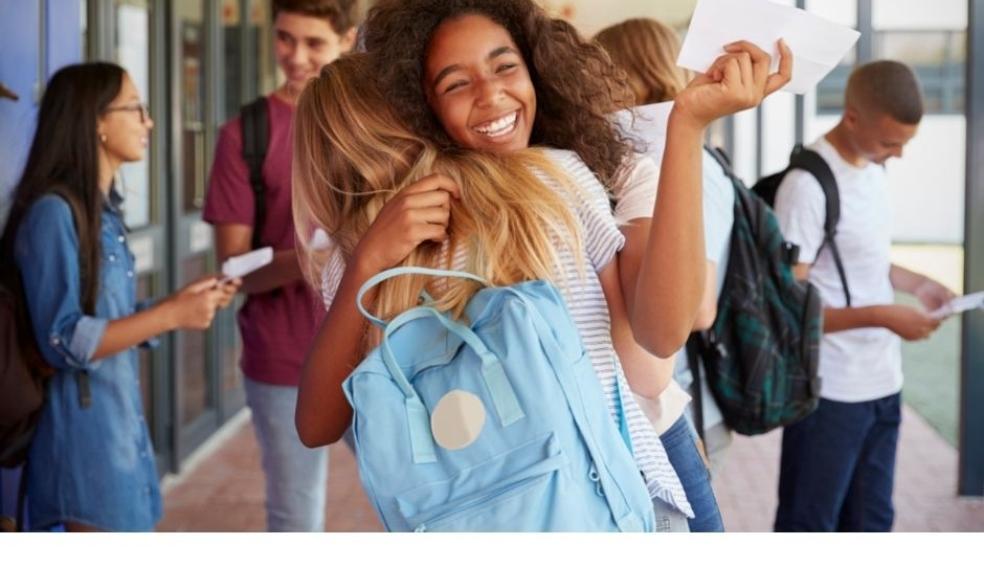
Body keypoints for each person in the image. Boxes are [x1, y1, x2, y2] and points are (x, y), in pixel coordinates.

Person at [302, 0, 789, 531]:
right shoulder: (551, 180)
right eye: (454, 83)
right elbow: (654, 355)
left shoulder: (372, 262)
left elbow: (315, 426)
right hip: (609, 501)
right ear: (420, 107)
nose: (490, 94)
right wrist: (685, 128)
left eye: (505, 65)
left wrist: (367, 261)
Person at [0, 62, 238, 531]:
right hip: (82, 444)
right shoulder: (53, 213)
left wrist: (177, 304)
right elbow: (65, 340)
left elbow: (108, 320)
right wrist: (170, 315)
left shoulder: (104, 214)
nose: (148, 121)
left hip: (121, 430)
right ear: (95, 122)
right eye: (136, 108)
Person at [773, 60, 954, 532]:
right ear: (851, 117)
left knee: (872, 523)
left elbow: (862, 259)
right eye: (889, 142)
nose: (897, 155)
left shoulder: (873, 170)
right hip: (829, 392)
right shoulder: (806, 187)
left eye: (905, 144)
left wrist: (916, 283)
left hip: (882, 384)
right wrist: (882, 316)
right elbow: (792, 308)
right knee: (810, 527)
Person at [203, 0, 357, 532]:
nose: (295, 56)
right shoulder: (244, 134)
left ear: (346, 39)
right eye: (285, 39)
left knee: (417, 507)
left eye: (313, 43)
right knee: (297, 517)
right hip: (284, 356)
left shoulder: (368, 126)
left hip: (377, 348)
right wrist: (308, 262)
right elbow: (234, 269)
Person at [595, 17, 735, 532]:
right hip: (647, 404)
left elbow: (699, 310)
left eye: (602, 77)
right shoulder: (616, 162)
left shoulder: (685, 164)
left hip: (672, 402)